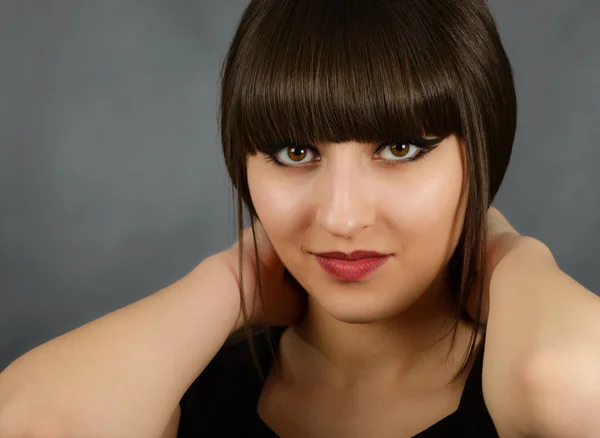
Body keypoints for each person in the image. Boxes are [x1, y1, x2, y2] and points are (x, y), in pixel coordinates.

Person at [0, 0, 599, 437]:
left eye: (399, 149)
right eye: (295, 153)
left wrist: (506, 252)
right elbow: (32, 424)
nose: (341, 218)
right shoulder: (178, 392)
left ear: (482, 155)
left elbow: (561, 381)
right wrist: (228, 281)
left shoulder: (531, 377)